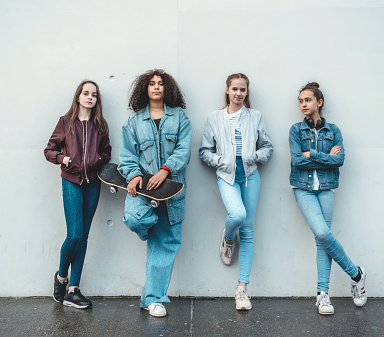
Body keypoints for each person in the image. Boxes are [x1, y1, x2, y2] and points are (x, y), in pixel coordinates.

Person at [118, 69, 192, 317]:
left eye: (161, 83)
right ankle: (147, 229)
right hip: (142, 191)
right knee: (133, 219)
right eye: (152, 84)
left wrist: (165, 170)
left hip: (171, 193)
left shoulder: (179, 117)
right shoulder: (133, 122)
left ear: (167, 89)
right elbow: (127, 157)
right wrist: (134, 175)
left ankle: (153, 299)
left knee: (165, 246)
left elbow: (184, 150)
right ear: (145, 89)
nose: (157, 87)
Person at [288, 82, 366, 315]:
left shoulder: (334, 130)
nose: (303, 104)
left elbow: (339, 160)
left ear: (319, 102)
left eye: (308, 100)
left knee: (322, 240)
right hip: (302, 188)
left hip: (326, 187)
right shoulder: (295, 130)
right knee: (323, 233)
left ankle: (323, 295)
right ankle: (356, 274)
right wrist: (324, 156)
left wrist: (311, 153)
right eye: (301, 101)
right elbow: (296, 161)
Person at [199, 73, 273, 311]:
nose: (239, 93)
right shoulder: (215, 118)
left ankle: (242, 289)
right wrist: (218, 159)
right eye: (235, 89)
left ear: (247, 92)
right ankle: (229, 238)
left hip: (251, 175)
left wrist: (254, 156)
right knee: (238, 216)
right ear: (227, 90)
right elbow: (204, 151)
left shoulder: (255, 116)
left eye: (243, 90)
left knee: (249, 231)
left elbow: (267, 147)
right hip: (227, 176)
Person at [44, 80, 111, 309]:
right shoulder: (65, 122)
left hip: (92, 183)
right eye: (86, 93)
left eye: (94, 94)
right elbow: (49, 149)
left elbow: (106, 152)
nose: (90, 97)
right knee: (73, 235)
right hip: (71, 181)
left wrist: (96, 160)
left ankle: (73, 290)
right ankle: (61, 277)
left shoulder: (100, 125)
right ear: (78, 97)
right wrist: (63, 159)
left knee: (83, 236)